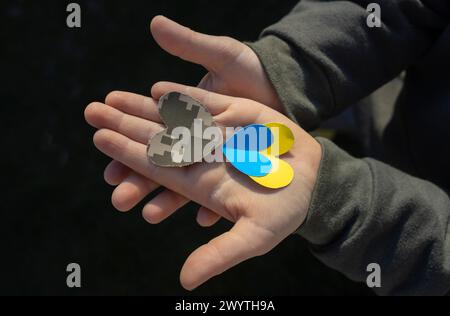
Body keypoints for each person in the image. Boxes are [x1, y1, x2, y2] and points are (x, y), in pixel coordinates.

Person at [85, 0, 450, 295]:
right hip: (392, 94)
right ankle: (313, 111)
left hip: (416, 194)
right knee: (336, 113)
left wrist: (346, 203)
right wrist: (287, 72)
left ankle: (315, 123)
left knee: (307, 131)